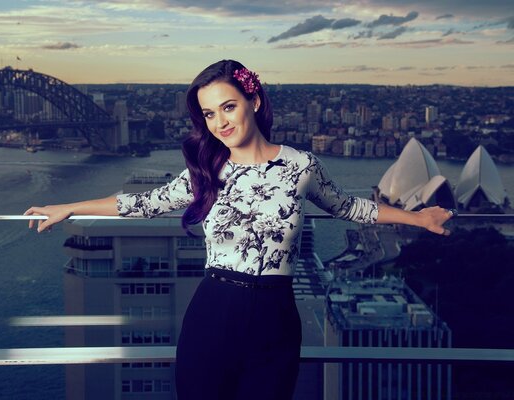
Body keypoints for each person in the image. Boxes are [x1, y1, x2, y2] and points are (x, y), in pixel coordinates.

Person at [24, 59, 455, 400]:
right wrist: (69, 206)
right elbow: (141, 202)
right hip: (214, 310)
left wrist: (419, 217)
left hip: (276, 317)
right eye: (209, 114)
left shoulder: (301, 165)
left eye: (227, 107)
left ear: (253, 101)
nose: (219, 123)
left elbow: (349, 207)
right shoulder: (208, 170)